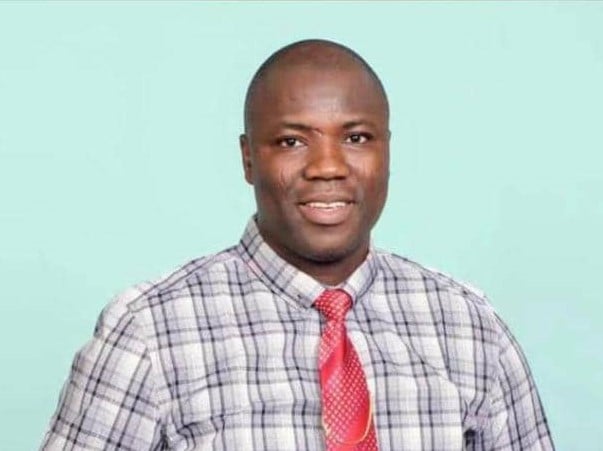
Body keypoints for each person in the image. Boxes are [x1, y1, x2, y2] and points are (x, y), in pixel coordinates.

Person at [41, 39, 554, 450]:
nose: (327, 167)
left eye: (356, 138)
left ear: (388, 152)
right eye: (292, 141)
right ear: (248, 159)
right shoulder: (150, 333)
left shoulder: (469, 327)